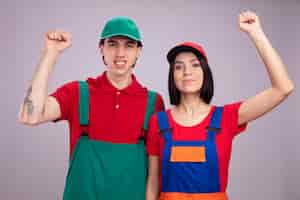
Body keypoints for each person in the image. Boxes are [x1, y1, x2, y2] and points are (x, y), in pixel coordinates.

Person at [146, 11, 294, 200]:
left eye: (194, 65)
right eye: (178, 66)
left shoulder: (226, 118)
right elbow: (152, 183)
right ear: (172, 76)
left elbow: (283, 88)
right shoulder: (158, 123)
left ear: (205, 72)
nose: (187, 72)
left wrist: (256, 33)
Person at [19, 17, 164, 200]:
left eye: (129, 45)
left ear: (138, 51)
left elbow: (155, 171)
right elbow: (29, 116)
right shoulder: (77, 93)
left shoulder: (154, 103)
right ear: (101, 49)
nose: (120, 53)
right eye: (112, 44)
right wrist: (50, 54)